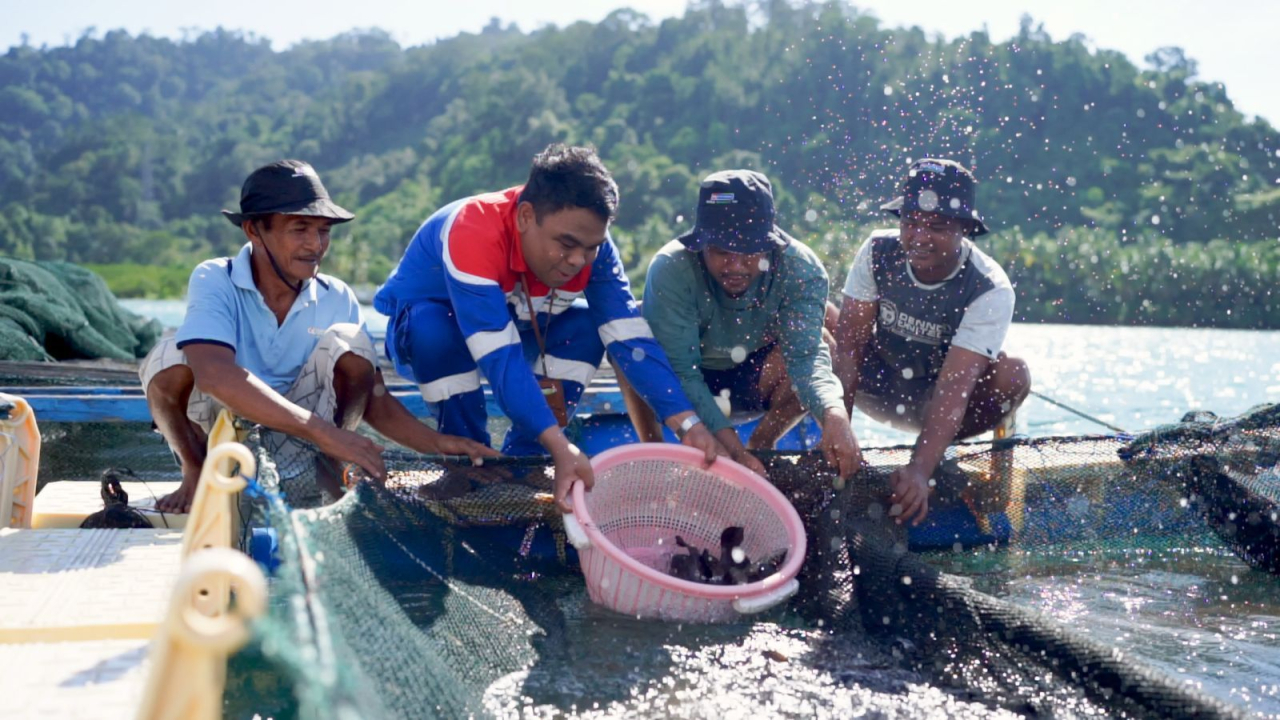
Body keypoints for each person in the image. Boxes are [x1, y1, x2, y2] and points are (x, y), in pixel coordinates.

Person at [373, 144, 726, 511]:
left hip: (519, 329)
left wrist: (689, 426)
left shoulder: (596, 250)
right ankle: (469, 465)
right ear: (526, 216)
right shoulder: (473, 229)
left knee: (590, 325)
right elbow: (501, 359)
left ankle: (526, 459)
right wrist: (563, 446)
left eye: (590, 248)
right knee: (433, 328)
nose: (578, 260)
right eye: (567, 244)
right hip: (433, 339)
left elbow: (630, 340)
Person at [141, 160, 496, 512]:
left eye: (324, 231)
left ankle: (329, 469)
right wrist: (327, 433)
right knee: (168, 356)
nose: (315, 245)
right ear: (253, 230)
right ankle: (195, 470)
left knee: (351, 341)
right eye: (299, 229)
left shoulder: (337, 295)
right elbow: (214, 374)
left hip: (306, 447)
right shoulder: (216, 278)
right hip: (228, 439)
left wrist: (437, 444)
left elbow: (373, 398)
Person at [620, 170, 861, 482]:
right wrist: (733, 451)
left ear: (769, 245)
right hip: (680, 386)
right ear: (701, 245)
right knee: (629, 334)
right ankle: (653, 453)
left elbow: (806, 360)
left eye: (747, 251)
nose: (735, 266)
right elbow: (683, 373)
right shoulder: (671, 268)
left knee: (825, 345)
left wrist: (834, 413)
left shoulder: (801, 268)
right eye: (721, 251)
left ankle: (761, 444)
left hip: (752, 380)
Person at [833, 158, 1031, 526]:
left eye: (937, 227)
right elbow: (848, 350)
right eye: (911, 223)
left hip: (936, 404)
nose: (920, 237)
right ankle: (820, 445)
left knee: (1012, 373)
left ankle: (962, 469)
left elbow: (955, 387)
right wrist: (840, 433)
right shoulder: (878, 251)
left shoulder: (989, 286)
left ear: (964, 230)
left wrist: (919, 472)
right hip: (878, 386)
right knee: (824, 328)